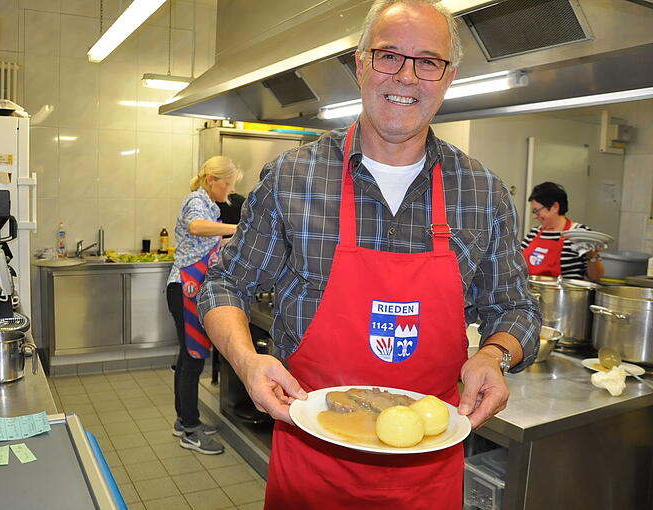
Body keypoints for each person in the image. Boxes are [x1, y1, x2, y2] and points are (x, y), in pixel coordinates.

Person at [197, 0, 541, 507]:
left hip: (427, 469)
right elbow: (224, 285)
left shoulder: (482, 190)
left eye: (428, 61)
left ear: (448, 78)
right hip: (310, 467)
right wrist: (248, 362)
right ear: (360, 65)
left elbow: (516, 307)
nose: (407, 76)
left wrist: (494, 355)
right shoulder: (294, 177)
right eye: (388, 56)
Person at [166, 155, 242, 455]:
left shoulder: (211, 205)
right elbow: (197, 228)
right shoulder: (195, 201)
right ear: (212, 180)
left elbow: (207, 243)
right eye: (228, 184)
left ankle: (184, 420)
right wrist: (237, 228)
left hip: (193, 288)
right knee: (193, 358)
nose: (230, 191)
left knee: (188, 358)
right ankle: (190, 430)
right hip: (186, 288)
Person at [522, 181, 605, 281]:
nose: (534, 216)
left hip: (564, 295)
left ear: (554, 207)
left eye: (536, 211)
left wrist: (592, 256)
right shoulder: (533, 233)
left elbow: (596, 277)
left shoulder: (579, 233)